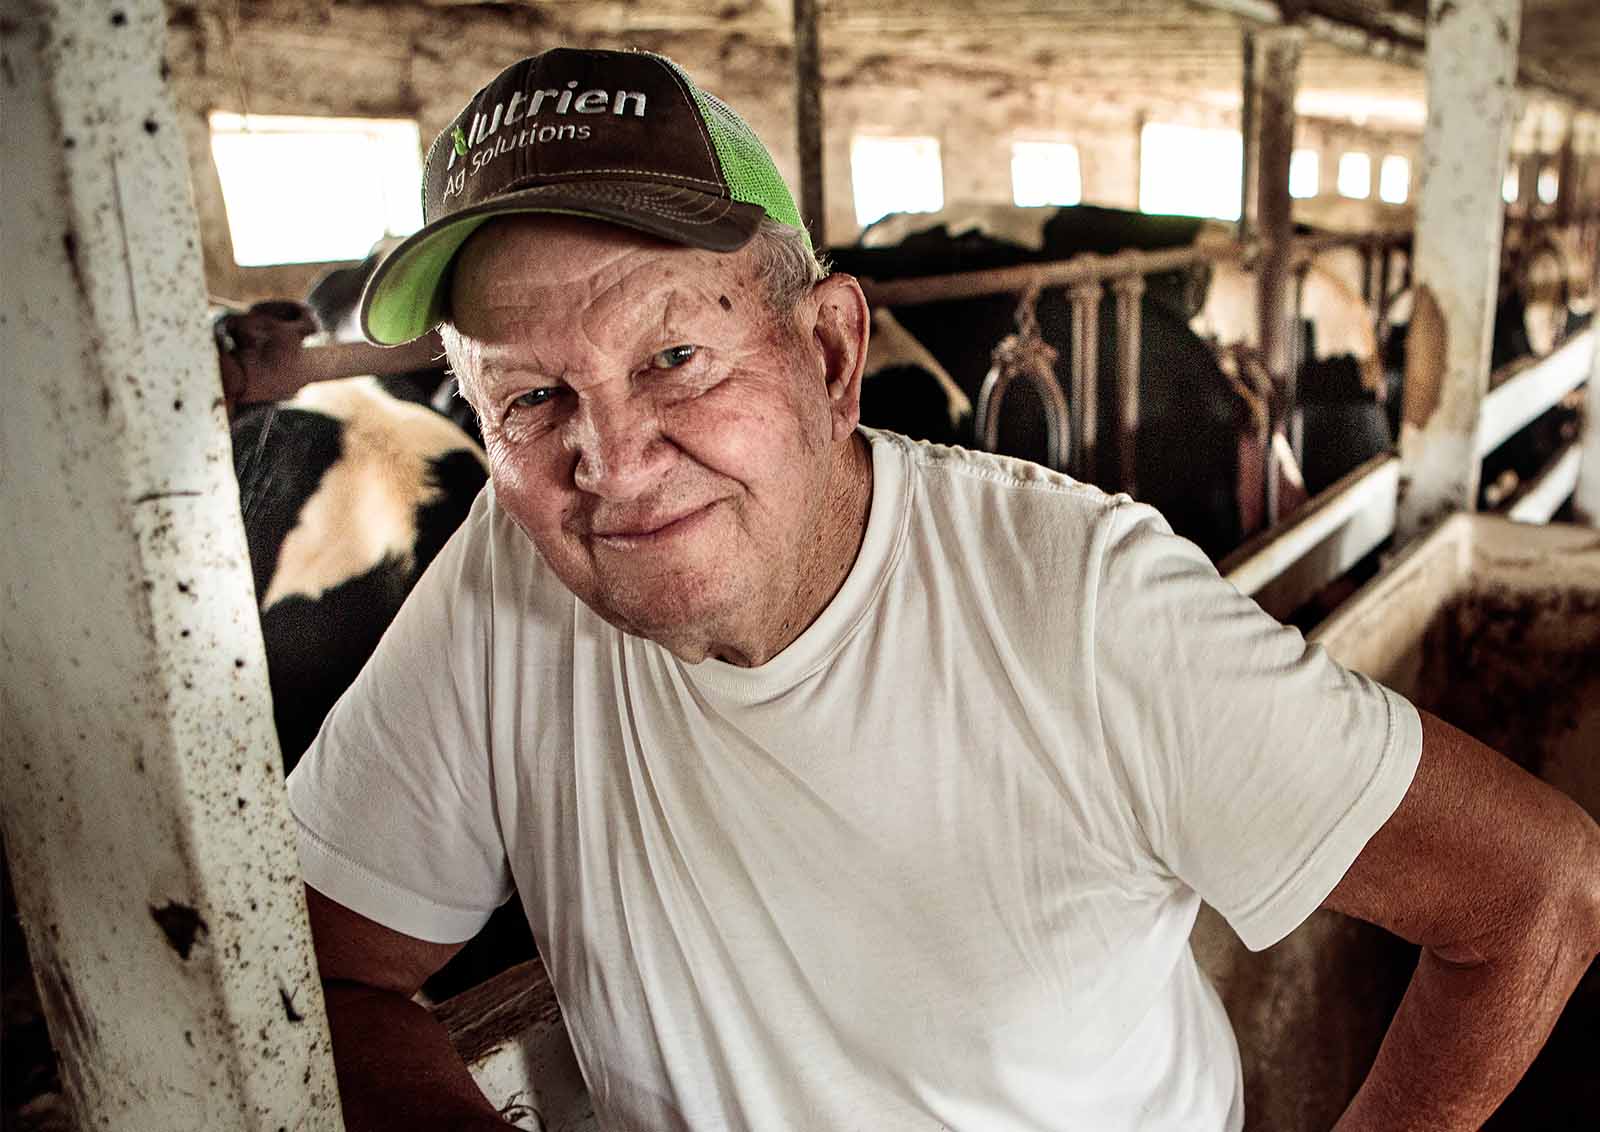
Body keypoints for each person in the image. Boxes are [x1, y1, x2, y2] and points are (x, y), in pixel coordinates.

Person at [288, 46, 1600, 1132]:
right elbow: (323, 970)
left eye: (676, 353)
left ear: (828, 350)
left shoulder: (1088, 612)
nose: (614, 463)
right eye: (529, 396)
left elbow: (1540, 888)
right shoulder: (504, 585)